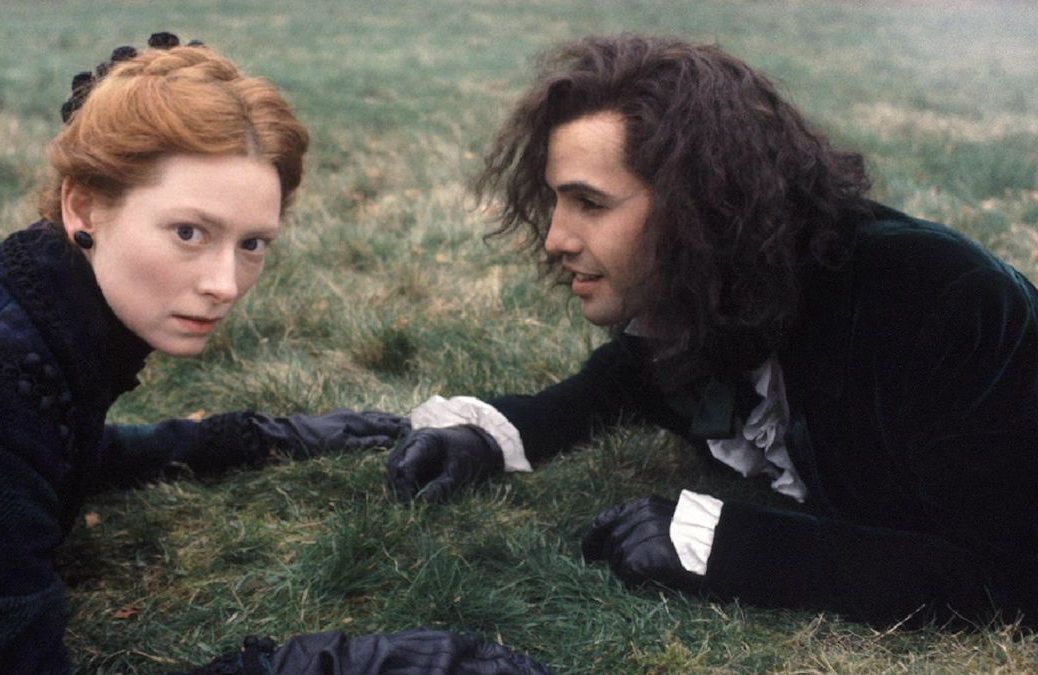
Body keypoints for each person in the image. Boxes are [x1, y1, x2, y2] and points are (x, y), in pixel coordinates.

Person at [0, 33, 549, 675]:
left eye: (252, 243)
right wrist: (333, 664)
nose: (225, 284)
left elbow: (42, 458)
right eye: (188, 232)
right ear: (83, 207)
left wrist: (250, 438)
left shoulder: (38, 308)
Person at [386, 34, 1038, 628]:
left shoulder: (941, 303)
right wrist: (491, 434)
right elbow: (623, 382)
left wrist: (737, 545)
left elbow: (1011, 571)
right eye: (557, 199)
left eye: (590, 202)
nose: (556, 238)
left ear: (698, 203)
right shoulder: (711, 290)